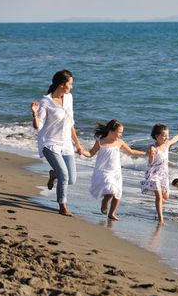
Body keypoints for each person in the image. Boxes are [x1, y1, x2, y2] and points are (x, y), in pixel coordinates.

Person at [31, 70, 83, 217]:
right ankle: (62, 205)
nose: (72, 87)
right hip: (50, 144)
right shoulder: (46, 102)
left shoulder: (69, 98)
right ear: (61, 84)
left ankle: (54, 174)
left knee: (71, 179)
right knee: (65, 176)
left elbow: (70, 123)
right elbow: (38, 126)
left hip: (66, 143)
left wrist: (77, 144)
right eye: (70, 84)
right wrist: (34, 113)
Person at [80, 120, 146, 221]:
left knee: (118, 193)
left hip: (116, 172)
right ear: (111, 131)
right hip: (103, 171)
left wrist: (145, 153)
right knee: (111, 189)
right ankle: (105, 202)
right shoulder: (100, 142)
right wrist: (82, 151)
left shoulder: (119, 142)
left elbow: (131, 151)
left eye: (122, 132)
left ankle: (112, 213)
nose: (121, 135)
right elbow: (90, 154)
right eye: (119, 132)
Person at [141, 123, 178, 224]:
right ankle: (161, 219)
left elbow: (175, 139)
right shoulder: (153, 147)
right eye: (163, 135)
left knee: (165, 197)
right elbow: (150, 163)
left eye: (167, 135)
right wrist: (151, 154)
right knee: (159, 197)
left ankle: (157, 208)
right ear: (156, 136)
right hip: (154, 174)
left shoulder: (167, 144)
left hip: (164, 174)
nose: (166, 137)